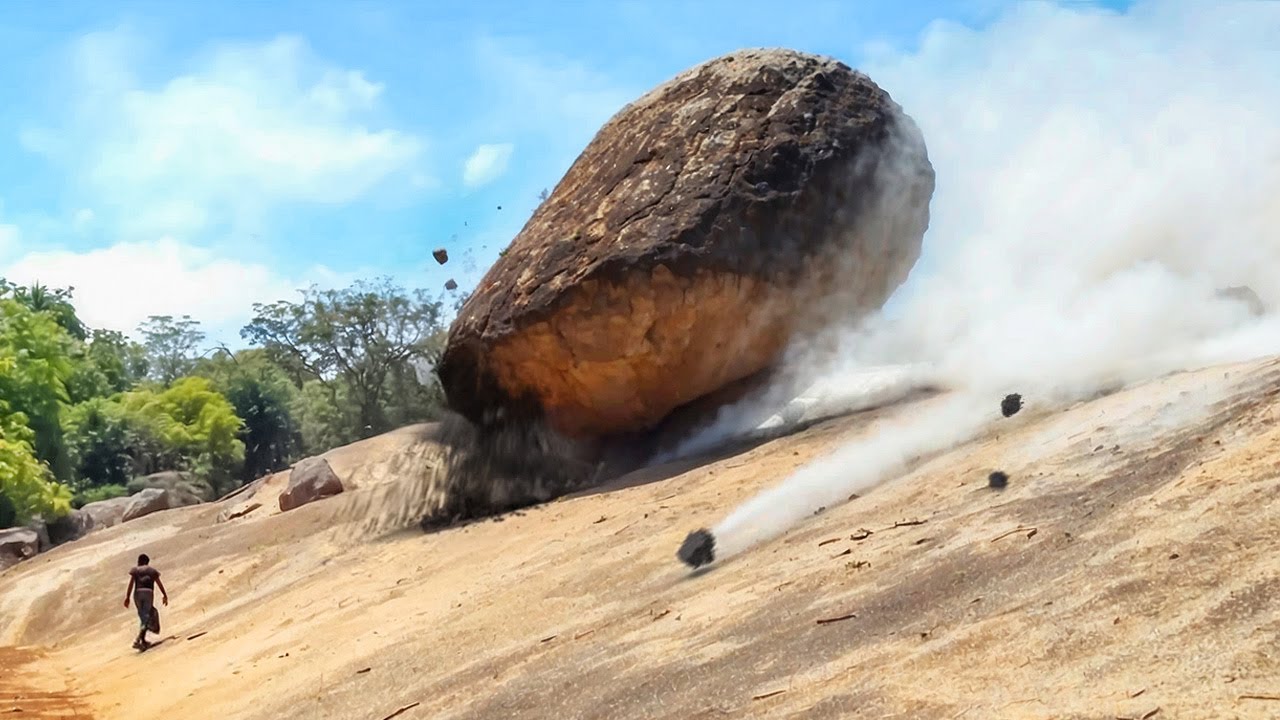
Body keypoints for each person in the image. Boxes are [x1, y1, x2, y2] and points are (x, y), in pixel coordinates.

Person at [123, 553, 168, 650]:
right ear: (147, 562)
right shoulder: (152, 571)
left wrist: (127, 597)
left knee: (143, 616)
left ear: (139, 561)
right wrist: (164, 595)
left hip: (137, 593)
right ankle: (138, 640)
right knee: (147, 616)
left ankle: (142, 641)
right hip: (148, 592)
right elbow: (159, 583)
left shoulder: (135, 570)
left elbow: (131, 584)